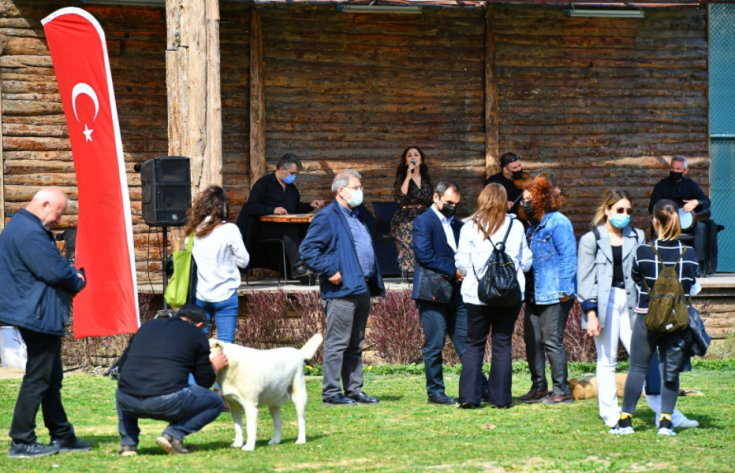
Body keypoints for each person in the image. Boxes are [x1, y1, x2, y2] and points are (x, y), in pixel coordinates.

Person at [577, 189, 697, 429]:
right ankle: (611, 416)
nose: (625, 215)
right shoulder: (591, 239)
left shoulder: (637, 236)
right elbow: (584, 279)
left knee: (647, 359)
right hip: (604, 301)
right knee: (607, 360)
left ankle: (666, 413)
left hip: (635, 303)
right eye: (619, 210)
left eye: (629, 211)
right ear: (607, 210)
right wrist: (590, 314)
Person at [0, 187, 89, 459]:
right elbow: (56, 271)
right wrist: (79, 278)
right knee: (38, 378)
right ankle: (21, 441)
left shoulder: (20, 228)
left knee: (51, 377)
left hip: (34, 310)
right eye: (59, 214)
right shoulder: (29, 233)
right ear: (45, 204)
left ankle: (61, 434)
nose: (60, 221)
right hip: (37, 313)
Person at [610, 199, 699, 436]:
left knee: (637, 369)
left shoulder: (643, 250)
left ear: (655, 221)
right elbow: (692, 286)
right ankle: (666, 423)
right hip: (677, 321)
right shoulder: (688, 253)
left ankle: (626, 421)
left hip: (646, 318)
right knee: (670, 370)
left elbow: (636, 277)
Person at [300, 170, 386, 406]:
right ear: (341, 190)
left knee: (356, 342)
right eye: (357, 187)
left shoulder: (356, 215)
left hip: (361, 287)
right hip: (340, 290)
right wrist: (329, 270)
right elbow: (308, 249)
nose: (361, 191)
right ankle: (331, 393)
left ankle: (354, 389)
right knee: (338, 342)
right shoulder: (327, 216)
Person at [116, 304, 229, 455]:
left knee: (123, 388)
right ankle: (173, 435)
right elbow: (204, 382)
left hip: (127, 401)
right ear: (200, 325)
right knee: (215, 402)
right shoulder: (196, 333)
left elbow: (122, 366)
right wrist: (215, 365)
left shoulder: (148, 326)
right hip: (166, 401)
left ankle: (127, 445)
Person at [456, 183, 532, 409]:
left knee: (474, 345)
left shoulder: (469, 226)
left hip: (476, 294)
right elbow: (526, 262)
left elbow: (462, 262)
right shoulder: (516, 226)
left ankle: (469, 397)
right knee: (502, 343)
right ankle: (501, 399)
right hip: (509, 294)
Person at [412, 180, 487, 405]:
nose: (453, 207)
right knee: (434, 345)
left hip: (458, 293)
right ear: (436, 198)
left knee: (467, 343)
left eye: (456, 203)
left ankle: (483, 387)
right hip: (433, 292)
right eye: (448, 202)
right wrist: (453, 270)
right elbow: (424, 254)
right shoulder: (423, 221)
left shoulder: (458, 226)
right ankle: (435, 392)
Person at [518, 177, 577, 404]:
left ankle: (561, 391)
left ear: (543, 198)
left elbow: (568, 257)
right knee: (532, 341)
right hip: (534, 293)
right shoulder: (533, 226)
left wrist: (564, 290)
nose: (526, 204)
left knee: (551, 341)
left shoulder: (558, 223)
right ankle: (539, 388)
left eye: (530, 199)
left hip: (554, 293)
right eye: (524, 200)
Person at [236, 153, 325, 278]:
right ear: (282, 169)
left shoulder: (291, 188)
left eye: (295, 174)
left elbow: (294, 208)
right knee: (288, 229)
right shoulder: (264, 184)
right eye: (292, 173)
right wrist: (272, 209)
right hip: (263, 228)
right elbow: (251, 206)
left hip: (285, 225)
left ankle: (312, 265)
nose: (294, 176)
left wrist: (310, 205)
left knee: (312, 228)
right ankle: (297, 266)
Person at [184, 186, 250, 344]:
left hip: (200, 294)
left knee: (197, 344)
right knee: (225, 347)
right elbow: (244, 261)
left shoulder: (193, 232)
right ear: (223, 207)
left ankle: (197, 370)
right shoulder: (230, 230)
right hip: (225, 293)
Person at [648, 156, 710, 271]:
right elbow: (652, 207)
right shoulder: (661, 186)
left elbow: (706, 201)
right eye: (673, 168)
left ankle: (698, 265)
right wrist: (666, 212)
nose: (675, 171)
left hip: (688, 225)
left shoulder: (691, 185)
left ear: (685, 171)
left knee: (701, 227)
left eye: (678, 169)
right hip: (667, 224)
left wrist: (696, 202)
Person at [390, 147, 433, 276]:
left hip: (424, 215)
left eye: (416, 155)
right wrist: (408, 177)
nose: (413, 157)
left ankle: (426, 271)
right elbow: (400, 197)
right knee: (412, 234)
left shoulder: (426, 179)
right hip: (405, 217)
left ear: (421, 160)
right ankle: (413, 272)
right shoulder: (402, 178)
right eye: (409, 155)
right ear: (405, 161)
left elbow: (430, 199)